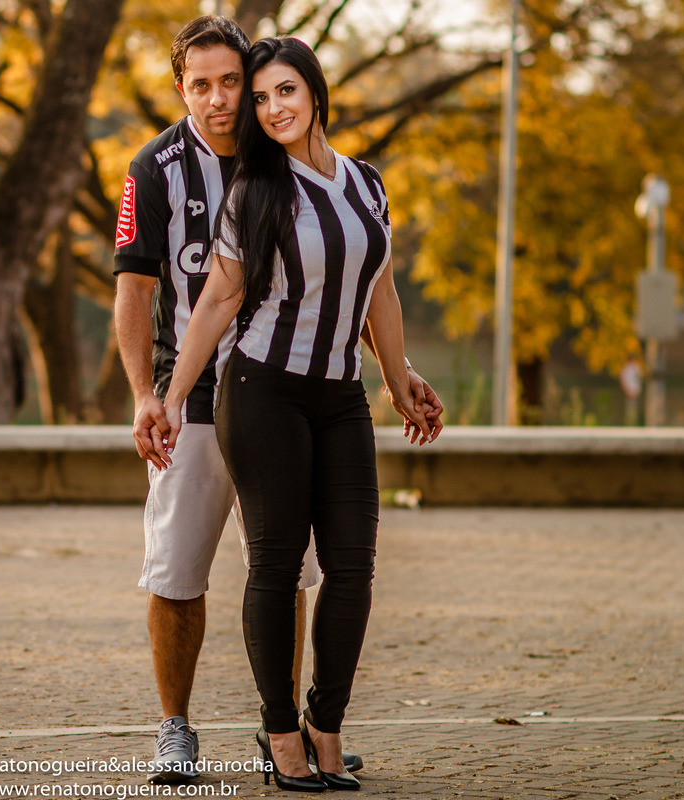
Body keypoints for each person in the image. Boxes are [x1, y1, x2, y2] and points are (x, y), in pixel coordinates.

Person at [114, 19, 443, 785]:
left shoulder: (309, 165)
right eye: (203, 85)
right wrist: (149, 396)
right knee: (177, 572)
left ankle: (287, 729)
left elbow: (355, 285)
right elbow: (139, 290)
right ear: (180, 89)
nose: (223, 99)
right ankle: (176, 727)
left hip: (298, 394)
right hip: (200, 397)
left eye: (236, 82)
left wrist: (397, 372)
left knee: (291, 570)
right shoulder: (157, 168)